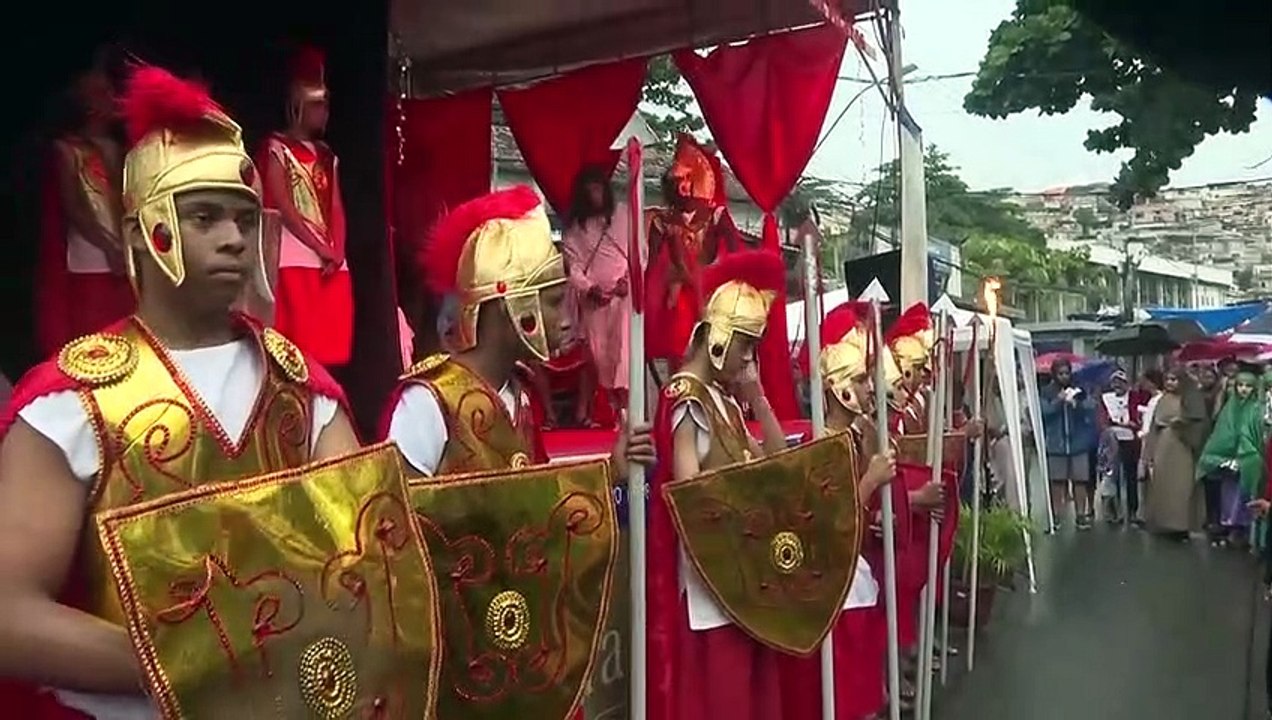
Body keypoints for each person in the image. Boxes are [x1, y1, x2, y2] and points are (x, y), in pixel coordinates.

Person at [0, 64, 361, 719]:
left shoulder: (305, 390)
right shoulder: (70, 402)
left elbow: (362, 567)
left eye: (242, 218)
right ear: (146, 231)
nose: (231, 238)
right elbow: (9, 615)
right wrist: (200, 663)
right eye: (203, 217)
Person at [645, 249, 791, 720]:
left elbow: (777, 460)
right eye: (745, 344)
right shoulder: (686, 396)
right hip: (712, 579)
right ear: (719, 338)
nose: (750, 358)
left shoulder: (725, 400)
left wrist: (758, 397)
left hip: (742, 571)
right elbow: (692, 492)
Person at [779, 301, 897, 720]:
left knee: (864, 699)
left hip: (858, 580)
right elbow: (824, 523)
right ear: (840, 386)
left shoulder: (854, 438)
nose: (870, 389)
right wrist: (870, 483)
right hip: (835, 590)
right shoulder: (820, 444)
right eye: (863, 380)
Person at [259, 46, 353, 368]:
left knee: (328, 351)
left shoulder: (328, 155)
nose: (324, 112)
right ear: (299, 106)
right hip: (295, 257)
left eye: (326, 106)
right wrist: (318, 246)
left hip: (329, 262)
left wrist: (337, 250)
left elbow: (337, 207)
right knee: (297, 349)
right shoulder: (277, 148)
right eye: (318, 105)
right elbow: (282, 204)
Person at [36, 50, 135, 357]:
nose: (114, 101)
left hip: (118, 250)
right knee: (90, 331)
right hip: (89, 253)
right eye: (105, 95)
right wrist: (107, 245)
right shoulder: (67, 149)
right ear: (89, 103)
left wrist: (123, 244)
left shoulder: (118, 149)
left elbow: (123, 197)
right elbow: (75, 209)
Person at [643, 133, 742, 372]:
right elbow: (651, 263)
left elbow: (736, 251)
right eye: (677, 181)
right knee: (678, 357)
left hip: (709, 291)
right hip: (674, 297)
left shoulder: (715, 215)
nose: (683, 187)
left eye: (687, 179)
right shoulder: (662, 220)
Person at [562, 166, 631, 423]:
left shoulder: (623, 215)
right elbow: (574, 267)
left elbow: (639, 253)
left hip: (624, 298)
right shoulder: (575, 229)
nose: (595, 194)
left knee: (622, 355)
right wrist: (590, 288)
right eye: (589, 189)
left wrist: (629, 280)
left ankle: (624, 413)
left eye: (598, 187)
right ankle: (599, 412)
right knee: (598, 356)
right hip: (594, 301)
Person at [1196, 363, 1266, 547]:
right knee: (1229, 498)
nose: (1243, 389)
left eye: (1248, 386)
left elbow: (1258, 437)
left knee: (1247, 498)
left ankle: (1246, 533)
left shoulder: (1258, 410)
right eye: (1240, 385)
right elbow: (1221, 435)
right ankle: (1230, 529)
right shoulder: (1228, 409)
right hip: (1229, 464)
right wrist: (1223, 458)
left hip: (1250, 463)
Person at [1040, 357, 1098, 530]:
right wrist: (1058, 401)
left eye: (1066, 373)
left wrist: (1077, 404)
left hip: (1078, 442)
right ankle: (1056, 516)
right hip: (1056, 443)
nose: (1064, 376)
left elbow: (1091, 407)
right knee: (1057, 482)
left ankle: (1080, 515)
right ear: (1054, 374)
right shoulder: (1046, 391)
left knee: (1080, 481)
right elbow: (1043, 411)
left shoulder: (1080, 389)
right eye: (1060, 373)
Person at [1143, 367, 1199, 540]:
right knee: (1163, 485)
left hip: (1182, 445)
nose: (1170, 383)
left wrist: (1182, 422)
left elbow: (1197, 421)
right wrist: (1149, 452)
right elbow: (1153, 426)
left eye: (1174, 379)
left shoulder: (1190, 399)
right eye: (1168, 379)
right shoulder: (1162, 399)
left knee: (1181, 487)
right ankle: (1164, 524)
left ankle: (1181, 526)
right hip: (1163, 446)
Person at [1098, 369, 1144, 526]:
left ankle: (1133, 511)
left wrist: (1135, 424)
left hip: (1130, 440)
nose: (1117, 385)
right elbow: (1103, 419)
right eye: (1114, 382)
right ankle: (1115, 511)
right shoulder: (1106, 399)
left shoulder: (1135, 397)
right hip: (1112, 441)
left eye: (1121, 382)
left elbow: (1140, 416)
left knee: (1131, 477)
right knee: (1112, 477)